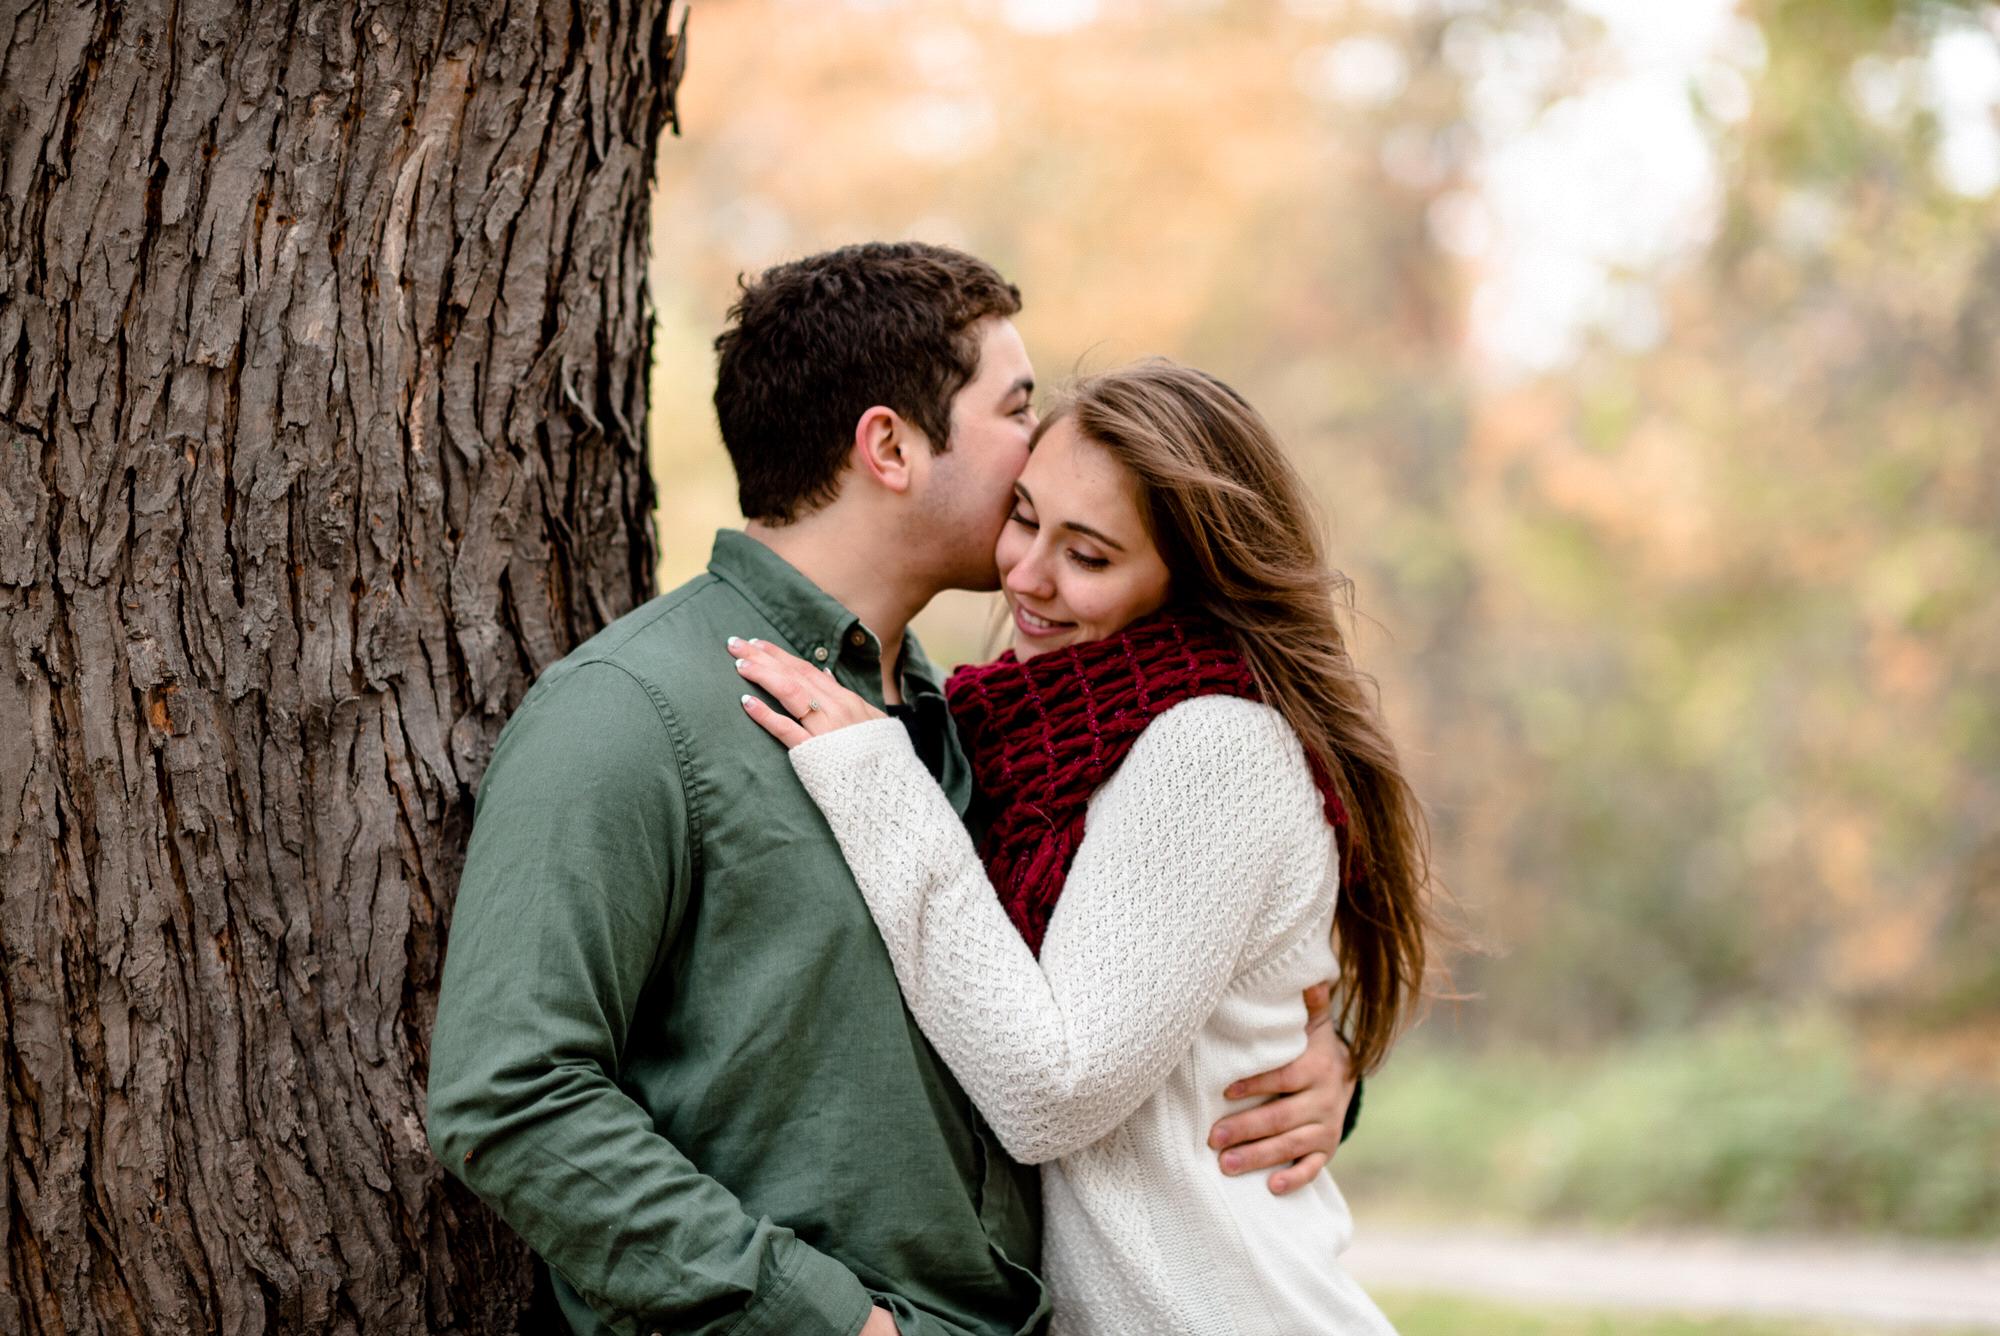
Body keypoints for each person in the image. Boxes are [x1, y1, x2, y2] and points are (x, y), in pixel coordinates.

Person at [426, 245, 1360, 1336]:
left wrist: (1293, 1055)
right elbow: (513, 1094)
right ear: (891, 446)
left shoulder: (969, 729)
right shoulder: (629, 713)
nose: (1040, 442)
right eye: (1016, 406)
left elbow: (1086, 1007)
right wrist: (834, 1326)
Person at [729, 358, 1437, 1335]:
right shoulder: (1023, 735)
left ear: (1188, 579)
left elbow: (1049, 1094)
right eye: (1023, 515)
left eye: (1089, 556)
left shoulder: (1208, 747)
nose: (1025, 575)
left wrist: (876, 780)